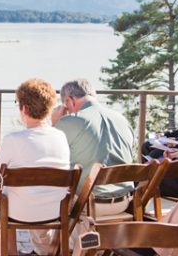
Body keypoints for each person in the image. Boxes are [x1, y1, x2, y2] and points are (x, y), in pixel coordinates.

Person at [0, 78, 71, 255]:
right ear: (49, 108)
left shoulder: (14, 140)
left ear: (24, 109)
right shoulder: (61, 137)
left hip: (17, 212)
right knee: (6, 196)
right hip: (54, 211)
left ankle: (1, 252)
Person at [51, 79, 135, 213]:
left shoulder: (70, 121)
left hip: (87, 204)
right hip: (124, 202)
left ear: (70, 101)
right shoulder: (122, 120)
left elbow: (48, 157)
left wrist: (55, 123)